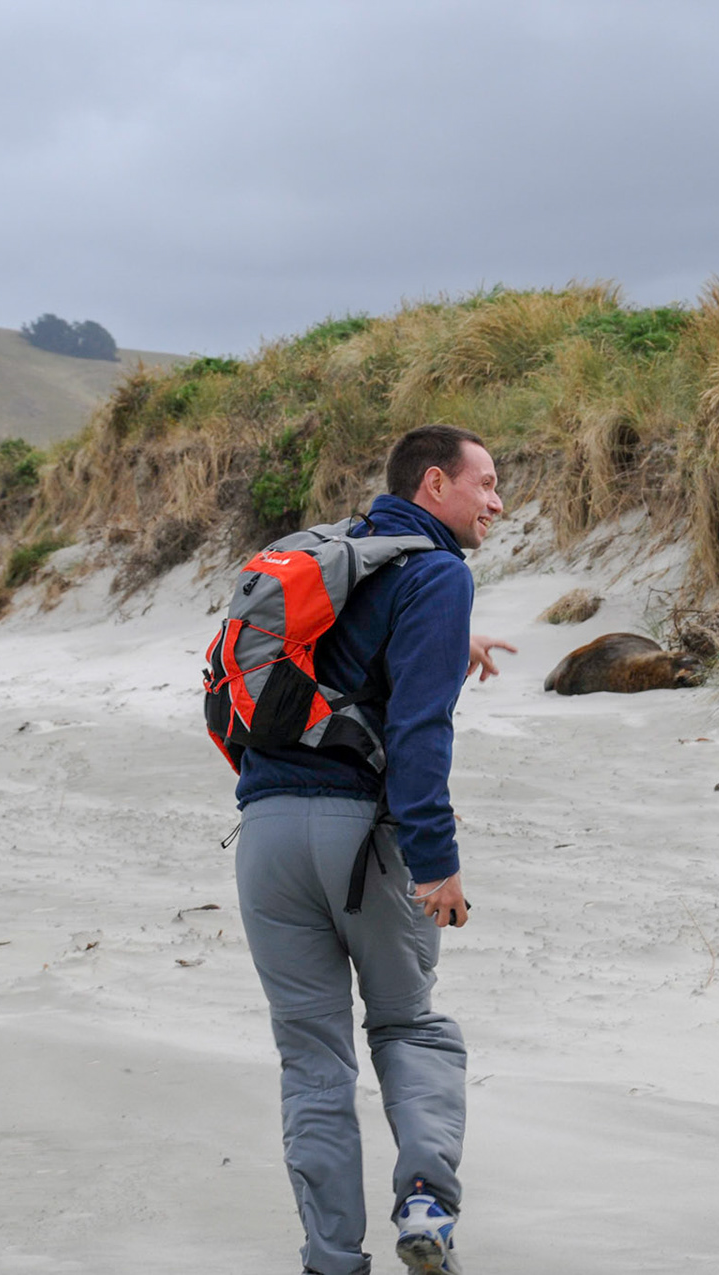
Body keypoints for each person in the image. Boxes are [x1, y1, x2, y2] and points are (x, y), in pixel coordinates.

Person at [233, 423, 513, 1275]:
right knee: (411, 1026)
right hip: (362, 839)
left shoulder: (335, 555)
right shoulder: (438, 572)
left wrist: (453, 642)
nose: (498, 502)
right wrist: (437, 860)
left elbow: (337, 656)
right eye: (486, 483)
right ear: (435, 484)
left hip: (266, 832)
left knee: (311, 1059)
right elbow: (421, 731)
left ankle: (330, 1258)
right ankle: (425, 1201)